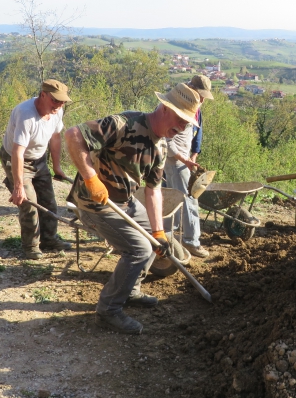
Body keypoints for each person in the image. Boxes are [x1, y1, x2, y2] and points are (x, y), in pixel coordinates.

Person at [64, 83, 201, 335]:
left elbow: (153, 190)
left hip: (126, 202)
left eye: (187, 124)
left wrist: (158, 231)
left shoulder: (160, 146)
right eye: (180, 120)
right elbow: (73, 135)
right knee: (139, 249)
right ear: (164, 108)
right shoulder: (123, 125)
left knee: (156, 239)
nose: (182, 128)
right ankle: (108, 311)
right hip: (96, 204)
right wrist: (90, 178)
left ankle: (131, 289)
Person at [0, 79, 73, 260]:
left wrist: (57, 167)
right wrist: (18, 187)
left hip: (39, 159)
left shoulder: (57, 111)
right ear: (43, 95)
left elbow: (55, 138)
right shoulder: (26, 115)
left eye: (62, 101)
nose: (59, 105)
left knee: (49, 202)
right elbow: (18, 151)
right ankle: (30, 246)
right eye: (55, 100)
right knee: (29, 203)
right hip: (17, 159)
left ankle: (49, 239)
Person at [164, 75, 213, 258]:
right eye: (200, 95)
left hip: (186, 159)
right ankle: (191, 242)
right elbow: (166, 141)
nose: (202, 100)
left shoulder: (196, 107)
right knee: (188, 200)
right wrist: (183, 160)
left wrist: (194, 155)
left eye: (203, 97)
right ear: (191, 88)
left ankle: (176, 236)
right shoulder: (176, 105)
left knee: (179, 199)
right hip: (174, 160)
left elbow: (197, 132)